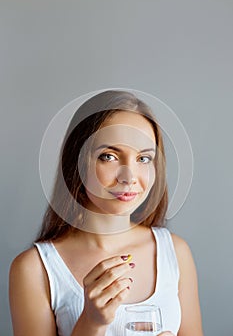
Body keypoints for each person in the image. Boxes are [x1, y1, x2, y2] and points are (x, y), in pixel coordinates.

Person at [9, 90, 203, 336]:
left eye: (143, 159)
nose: (129, 177)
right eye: (109, 156)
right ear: (77, 162)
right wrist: (91, 322)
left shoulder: (175, 252)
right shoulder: (34, 269)